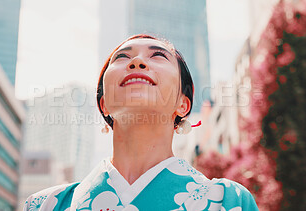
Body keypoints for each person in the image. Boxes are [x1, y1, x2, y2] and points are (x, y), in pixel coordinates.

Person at [23, 34, 259, 211]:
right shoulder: (45, 205)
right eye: (122, 57)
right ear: (103, 104)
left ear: (183, 105)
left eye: (158, 55)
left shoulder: (228, 201)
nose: (136, 62)